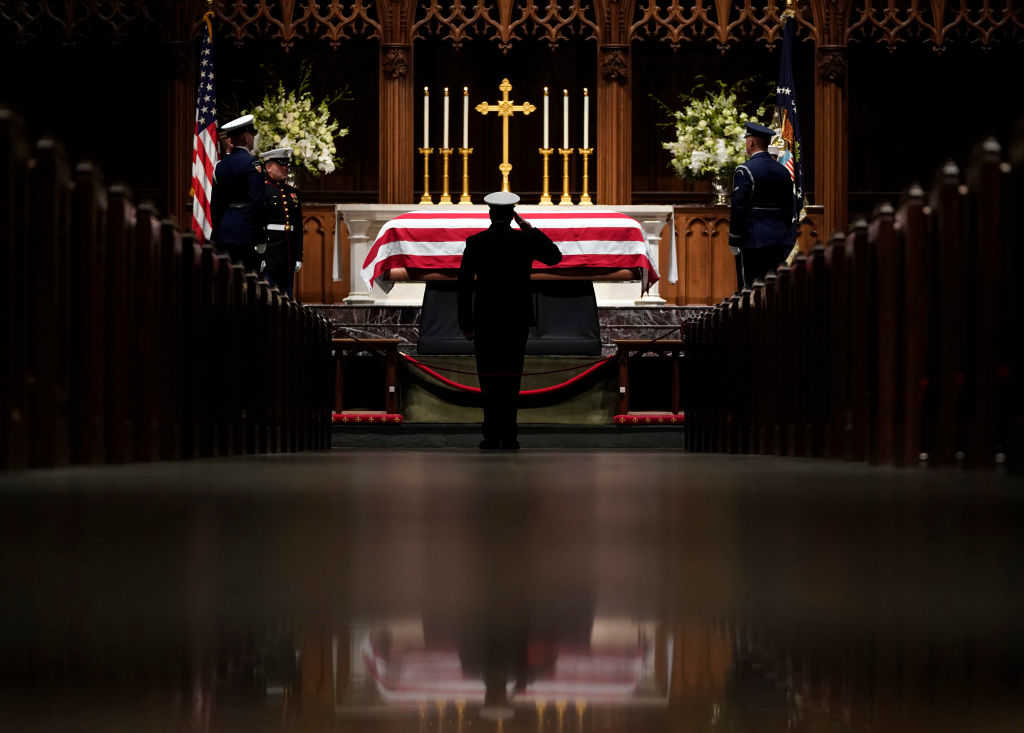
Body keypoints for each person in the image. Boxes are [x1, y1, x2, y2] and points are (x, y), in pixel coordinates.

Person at [457, 192, 563, 450]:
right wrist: (530, 228)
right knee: (511, 378)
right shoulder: (524, 240)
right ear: (512, 215)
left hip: (486, 319)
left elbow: (463, 286)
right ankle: (510, 435)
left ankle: (491, 435)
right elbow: (555, 257)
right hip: (516, 319)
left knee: (489, 379)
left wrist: (466, 323)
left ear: (490, 214)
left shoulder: (476, 242)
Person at [728, 121, 796, 289]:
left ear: (751, 142)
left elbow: (738, 208)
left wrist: (734, 239)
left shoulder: (745, 170)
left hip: (753, 241)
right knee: (774, 288)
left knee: (750, 289)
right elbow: (789, 208)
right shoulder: (783, 171)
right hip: (779, 241)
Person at [210, 114, 264, 272]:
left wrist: (219, 229)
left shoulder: (219, 166)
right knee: (246, 282)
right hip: (245, 233)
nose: (254, 138)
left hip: (223, 232)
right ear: (245, 138)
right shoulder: (252, 164)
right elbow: (257, 203)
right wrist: (260, 237)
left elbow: (216, 205)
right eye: (252, 134)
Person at [257, 147, 303, 297]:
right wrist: (260, 255)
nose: (285, 168)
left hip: (288, 252)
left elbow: (298, 227)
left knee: (287, 295)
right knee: (269, 295)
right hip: (270, 251)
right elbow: (257, 222)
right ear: (269, 167)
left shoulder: (292, 193)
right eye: (280, 164)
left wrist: (298, 256)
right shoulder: (261, 190)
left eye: (286, 164)